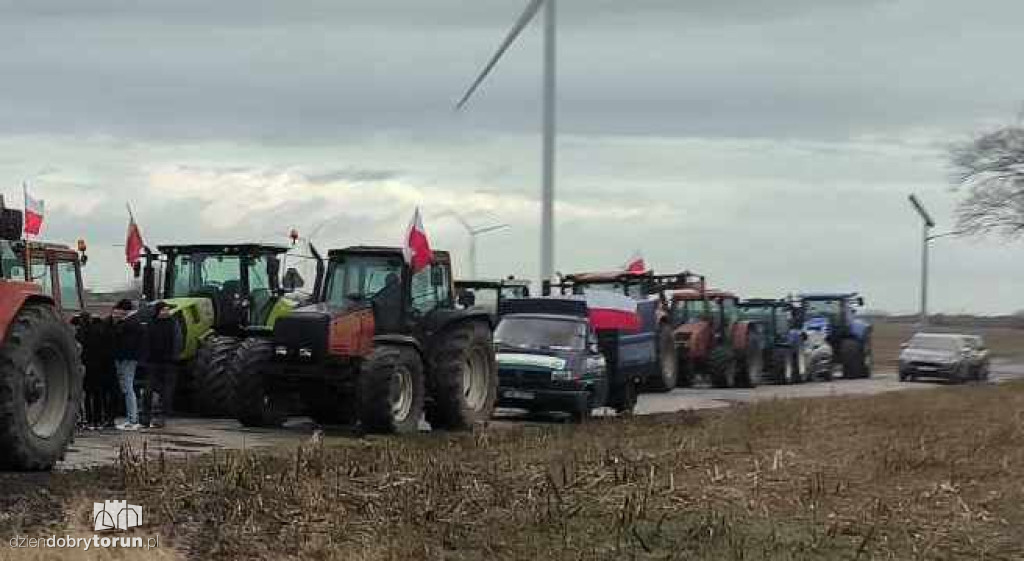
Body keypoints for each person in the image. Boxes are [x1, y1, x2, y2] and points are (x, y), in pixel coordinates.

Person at [138, 301, 181, 429]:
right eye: (163, 310)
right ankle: (145, 417)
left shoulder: (173, 324)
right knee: (148, 391)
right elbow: (145, 341)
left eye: (167, 310)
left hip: (169, 362)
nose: (166, 312)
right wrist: (144, 358)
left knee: (166, 392)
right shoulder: (150, 324)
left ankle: (161, 418)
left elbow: (178, 340)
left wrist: (175, 356)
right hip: (153, 362)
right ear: (158, 311)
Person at [76, 314, 118, 430]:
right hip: (100, 367)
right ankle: (98, 420)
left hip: (86, 366)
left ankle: (88, 420)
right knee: (98, 394)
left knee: (87, 395)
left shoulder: (81, 333)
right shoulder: (103, 332)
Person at [111, 299, 143, 431]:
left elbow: (124, 342)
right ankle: (132, 418)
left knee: (128, 388)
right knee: (128, 388)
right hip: (130, 358)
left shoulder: (129, 323)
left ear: (123, 310)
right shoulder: (135, 321)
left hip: (126, 359)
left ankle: (132, 420)